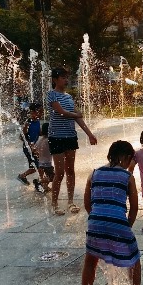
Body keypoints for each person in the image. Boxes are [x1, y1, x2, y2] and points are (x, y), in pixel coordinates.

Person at [77, 140, 143, 285]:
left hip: (95, 223)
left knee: (90, 260)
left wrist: (97, 219)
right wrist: (126, 227)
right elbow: (134, 208)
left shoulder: (94, 173)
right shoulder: (127, 177)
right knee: (134, 260)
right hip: (118, 224)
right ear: (127, 157)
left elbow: (87, 203)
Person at [47, 67, 97, 215]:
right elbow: (62, 112)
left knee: (70, 171)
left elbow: (78, 118)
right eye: (63, 77)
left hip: (70, 137)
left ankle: (70, 201)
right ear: (55, 80)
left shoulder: (68, 97)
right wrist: (76, 114)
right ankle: (55, 204)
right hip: (56, 137)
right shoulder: (51, 95)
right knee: (59, 172)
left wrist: (90, 134)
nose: (66, 80)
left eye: (66, 77)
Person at [17, 102, 43, 190]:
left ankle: (25, 177)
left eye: (42, 112)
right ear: (32, 112)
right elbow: (22, 137)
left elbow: (39, 132)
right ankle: (39, 183)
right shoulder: (28, 123)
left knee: (37, 166)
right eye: (39, 111)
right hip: (28, 148)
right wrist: (30, 145)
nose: (41, 114)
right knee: (37, 166)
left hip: (34, 147)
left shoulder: (37, 121)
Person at [33, 122, 54, 193]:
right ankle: (39, 182)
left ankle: (45, 187)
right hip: (47, 164)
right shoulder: (49, 140)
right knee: (53, 178)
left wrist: (39, 154)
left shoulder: (40, 140)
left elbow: (34, 150)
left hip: (40, 163)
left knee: (47, 176)